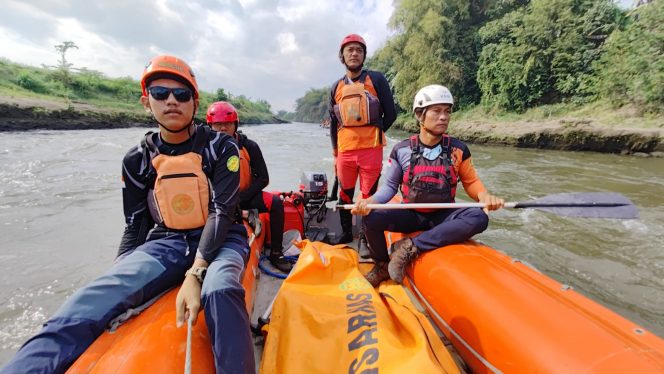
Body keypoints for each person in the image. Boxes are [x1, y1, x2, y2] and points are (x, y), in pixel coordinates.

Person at [1, 55, 255, 374]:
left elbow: (222, 209)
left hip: (222, 239)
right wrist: (120, 272)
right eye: (160, 93)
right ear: (146, 102)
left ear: (195, 101)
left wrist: (196, 273)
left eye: (181, 94)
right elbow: (136, 225)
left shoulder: (220, 147)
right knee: (93, 296)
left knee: (220, 288)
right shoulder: (136, 159)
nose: (171, 101)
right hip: (168, 241)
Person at [352, 84, 504, 287]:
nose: (444, 117)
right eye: (437, 111)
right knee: (371, 218)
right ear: (420, 115)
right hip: (410, 213)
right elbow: (389, 188)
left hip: (443, 214)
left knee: (479, 216)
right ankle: (381, 265)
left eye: (447, 111)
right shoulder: (402, 150)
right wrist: (369, 202)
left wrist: (484, 197)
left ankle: (410, 248)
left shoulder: (459, 149)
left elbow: (471, 182)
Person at [206, 101, 292, 273]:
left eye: (227, 124)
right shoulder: (205, 149)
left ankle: (276, 251)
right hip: (219, 201)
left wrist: (240, 199)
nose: (223, 128)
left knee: (275, 203)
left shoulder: (249, 146)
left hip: (245, 196)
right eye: (218, 124)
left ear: (235, 125)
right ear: (210, 126)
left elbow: (263, 178)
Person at [329, 33, 397, 245]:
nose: (354, 53)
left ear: (364, 55)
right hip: (345, 151)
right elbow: (333, 122)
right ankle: (346, 234)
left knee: (369, 197)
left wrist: (375, 133)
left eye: (359, 50)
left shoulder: (376, 79)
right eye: (350, 50)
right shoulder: (335, 87)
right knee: (345, 194)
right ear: (342, 56)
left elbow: (391, 113)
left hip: (371, 151)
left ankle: (367, 240)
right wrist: (335, 152)